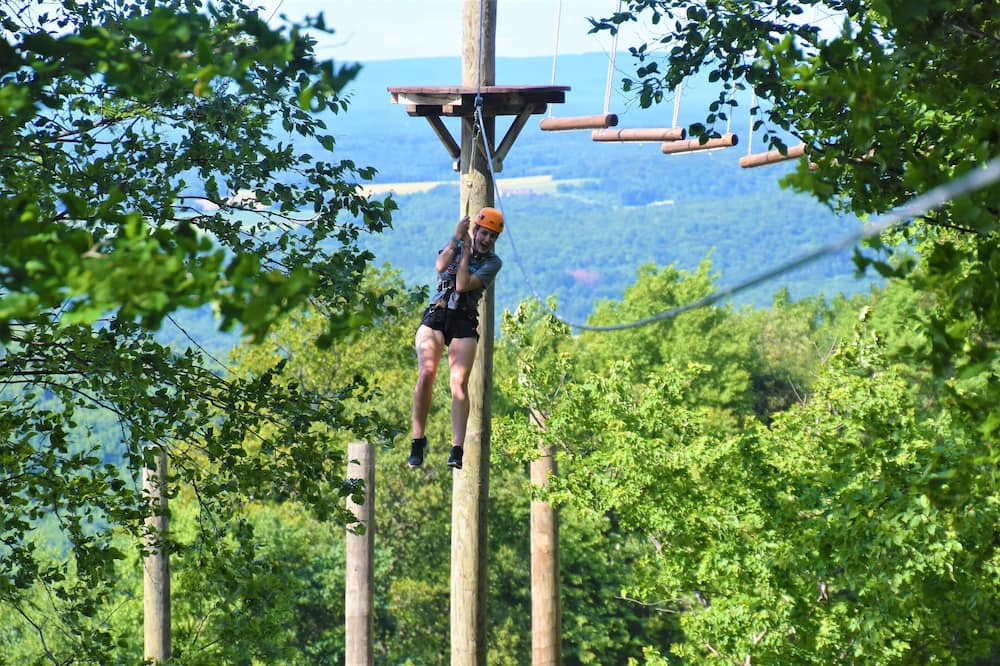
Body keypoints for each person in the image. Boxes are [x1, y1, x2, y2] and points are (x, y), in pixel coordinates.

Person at [408, 207, 504, 470]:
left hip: (463, 318)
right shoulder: (457, 243)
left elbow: (462, 285)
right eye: (484, 234)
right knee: (427, 372)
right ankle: (418, 440)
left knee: (459, 382)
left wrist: (464, 255)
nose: (486, 240)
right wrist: (456, 239)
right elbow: (440, 266)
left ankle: (457, 447)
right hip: (438, 314)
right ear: (476, 231)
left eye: (492, 237)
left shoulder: (492, 263)